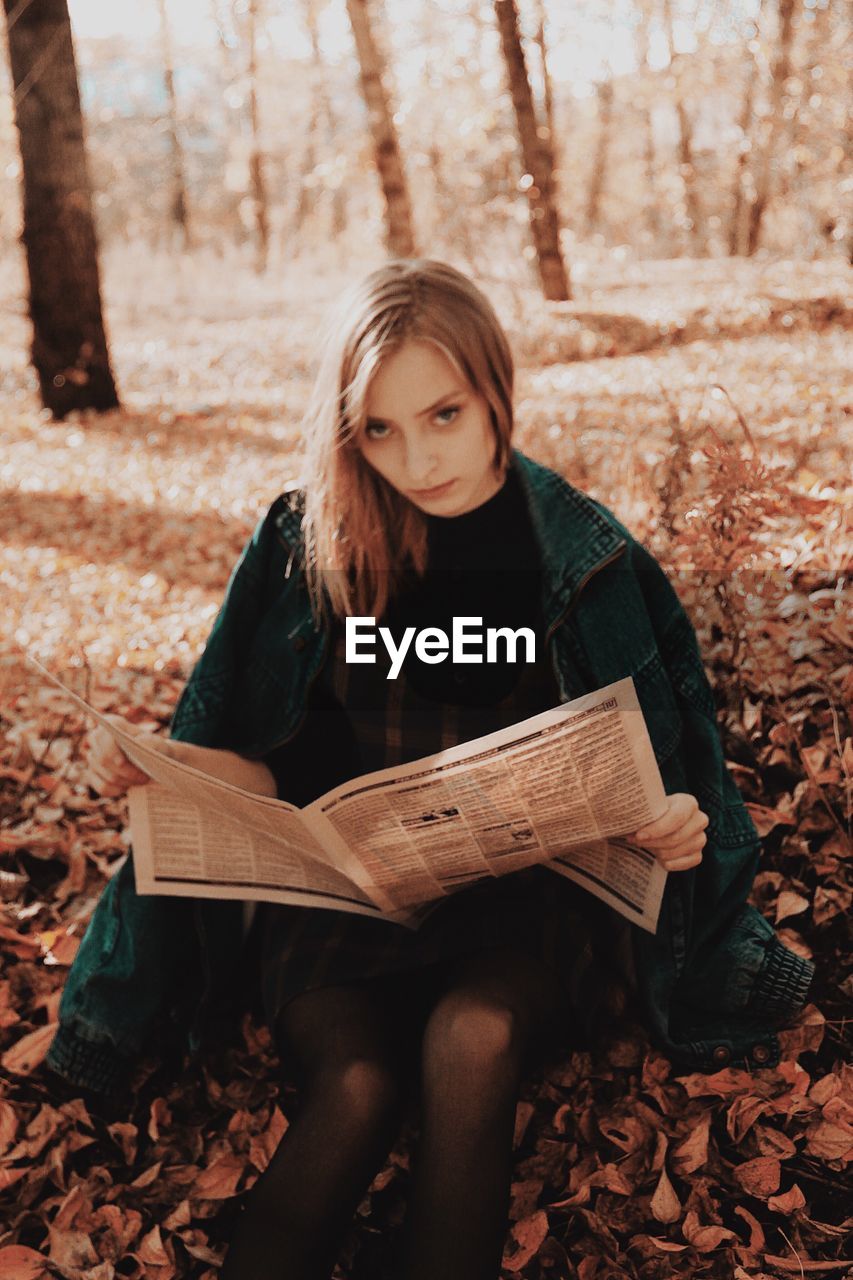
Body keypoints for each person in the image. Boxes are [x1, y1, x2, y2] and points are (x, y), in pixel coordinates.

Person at [48, 260, 813, 1280]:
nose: (415, 456)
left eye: (444, 413)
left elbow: (673, 781)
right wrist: (167, 768)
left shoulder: (581, 557)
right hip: (337, 909)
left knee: (471, 1039)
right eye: (378, 428)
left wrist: (666, 823)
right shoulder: (309, 538)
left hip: (523, 909)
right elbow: (270, 768)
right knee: (355, 1083)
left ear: (497, 386)